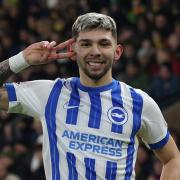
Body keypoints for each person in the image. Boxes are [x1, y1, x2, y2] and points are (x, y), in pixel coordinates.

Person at [0, 12, 180, 180]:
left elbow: (173, 159)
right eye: (86, 44)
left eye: (104, 43)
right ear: (73, 50)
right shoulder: (50, 94)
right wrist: (22, 59)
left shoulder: (139, 102)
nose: (95, 51)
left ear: (117, 51)